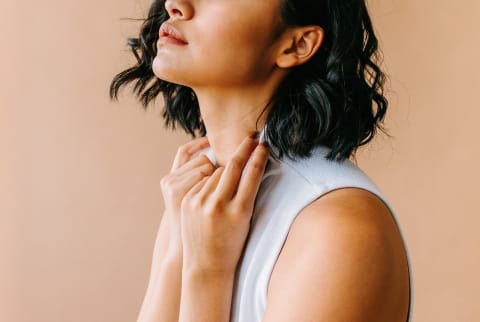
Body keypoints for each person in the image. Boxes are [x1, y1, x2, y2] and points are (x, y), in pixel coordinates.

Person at [110, 0, 412, 321]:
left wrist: (206, 272)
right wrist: (174, 253)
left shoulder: (338, 230)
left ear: (297, 44)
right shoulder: (196, 196)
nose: (176, 4)